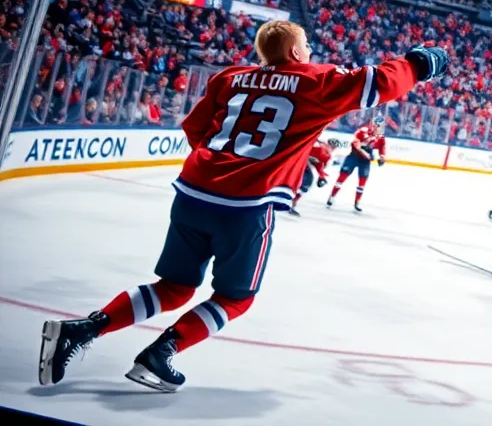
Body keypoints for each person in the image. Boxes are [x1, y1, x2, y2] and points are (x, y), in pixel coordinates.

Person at [37, 20, 448, 391]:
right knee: (236, 297)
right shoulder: (312, 80)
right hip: (248, 205)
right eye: (306, 44)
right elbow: (380, 82)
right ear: (294, 53)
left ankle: (83, 329)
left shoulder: (230, 77)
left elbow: (195, 128)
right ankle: (158, 355)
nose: (310, 51)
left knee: (175, 287)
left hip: (193, 192)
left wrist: (220, 168)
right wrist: (419, 63)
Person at [326, 116, 386, 212]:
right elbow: (356, 145)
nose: (379, 128)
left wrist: (382, 158)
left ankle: (357, 202)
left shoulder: (381, 138)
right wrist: (367, 154)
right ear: (373, 124)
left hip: (365, 162)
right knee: (341, 178)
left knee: (362, 183)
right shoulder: (362, 131)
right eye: (378, 125)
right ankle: (331, 197)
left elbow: (382, 151)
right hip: (353, 158)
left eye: (381, 126)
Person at [289, 137, 339, 216]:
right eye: (332, 145)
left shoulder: (327, 154)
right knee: (304, 184)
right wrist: (308, 158)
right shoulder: (319, 148)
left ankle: (291, 203)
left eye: (334, 147)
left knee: (304, 185)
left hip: (305, 166)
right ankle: (290, 203)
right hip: (301, 164)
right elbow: (303, 151)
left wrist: (322, 176)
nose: (332, 148)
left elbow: (320, 166)